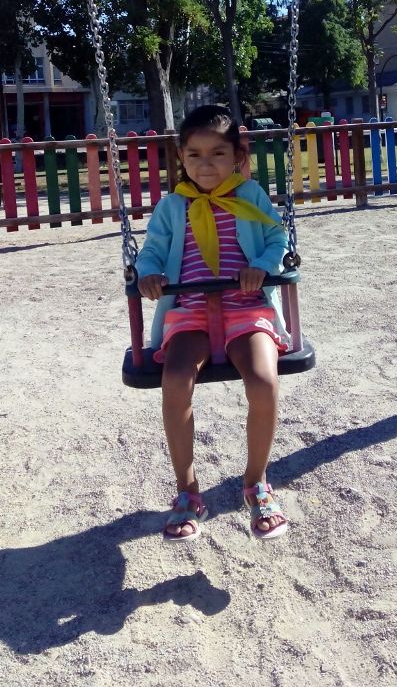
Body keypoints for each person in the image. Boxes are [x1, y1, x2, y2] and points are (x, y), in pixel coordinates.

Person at [136, 105, 290, 542]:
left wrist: (261, 265)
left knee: (264, 382)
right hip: (190, 312)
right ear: (181, 158)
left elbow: (277, 239)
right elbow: (152, 250)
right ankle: (187, 491)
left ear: (237, 156)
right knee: (175, 381)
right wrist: (148, 272)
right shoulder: (172, 206)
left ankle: (256, 483)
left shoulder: (250, 195)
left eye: (218, 153)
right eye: (195, 155)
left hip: (246, 309)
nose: (206, 164)